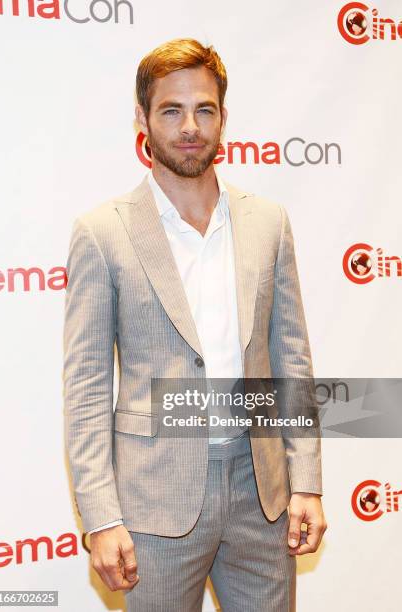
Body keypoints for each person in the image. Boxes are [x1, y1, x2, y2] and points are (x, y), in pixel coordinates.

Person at [63, 38, 327, 612]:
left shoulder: (268, 222)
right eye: (171, 110)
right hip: (154, 505)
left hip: (263, 494)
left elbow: (292, 360)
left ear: (223, 118)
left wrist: (305, 479)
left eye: (204, 110)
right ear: (142, 118)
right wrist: (100, 516)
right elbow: (86, 387)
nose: (189, 127)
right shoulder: (101, 232)